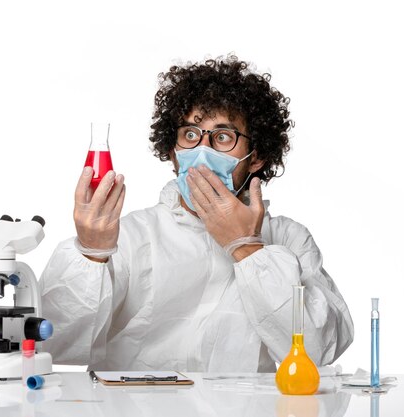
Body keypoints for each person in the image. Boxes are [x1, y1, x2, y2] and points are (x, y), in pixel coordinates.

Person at [39, 55, 354, 372]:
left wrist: (247, 248)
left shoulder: (287, 239)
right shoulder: (131, 236)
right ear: (172, 151)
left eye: (223, 137)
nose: (202, 152)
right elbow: (57, 343)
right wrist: (91, 253)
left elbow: (318, 349)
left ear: (255, 158)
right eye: (190, 134)